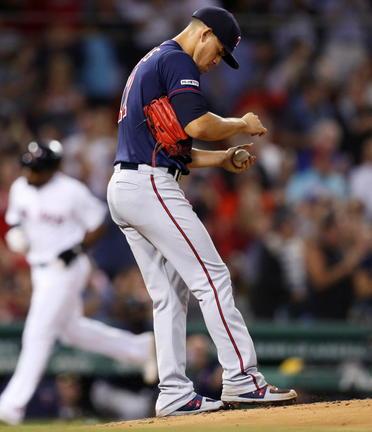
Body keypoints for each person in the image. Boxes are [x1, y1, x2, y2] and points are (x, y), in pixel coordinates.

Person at [107, 7, 297, 418]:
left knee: (169, 295)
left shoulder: (153, 60)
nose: (215, 63)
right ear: (204, 34)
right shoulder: (176, 58)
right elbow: (197, 125)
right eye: (219, 52)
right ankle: (242, 379)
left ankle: (173, 391)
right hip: (149, 185)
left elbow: (176, 146)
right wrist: (240, 123)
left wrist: (223, 158)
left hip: (128, 184)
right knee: (212, 276)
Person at [0, 141, 157, 426]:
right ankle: (139, 349)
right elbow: (14, 221)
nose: (30, 174)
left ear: (54, 168)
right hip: (40, 269)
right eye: (28, 167)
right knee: (72, 332)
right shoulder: (20, 187)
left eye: (37, 169)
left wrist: (75, 249)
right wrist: (15, 234)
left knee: (38, 333)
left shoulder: (70, 191)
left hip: (67, 269)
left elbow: (99, 222)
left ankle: (12, 406)